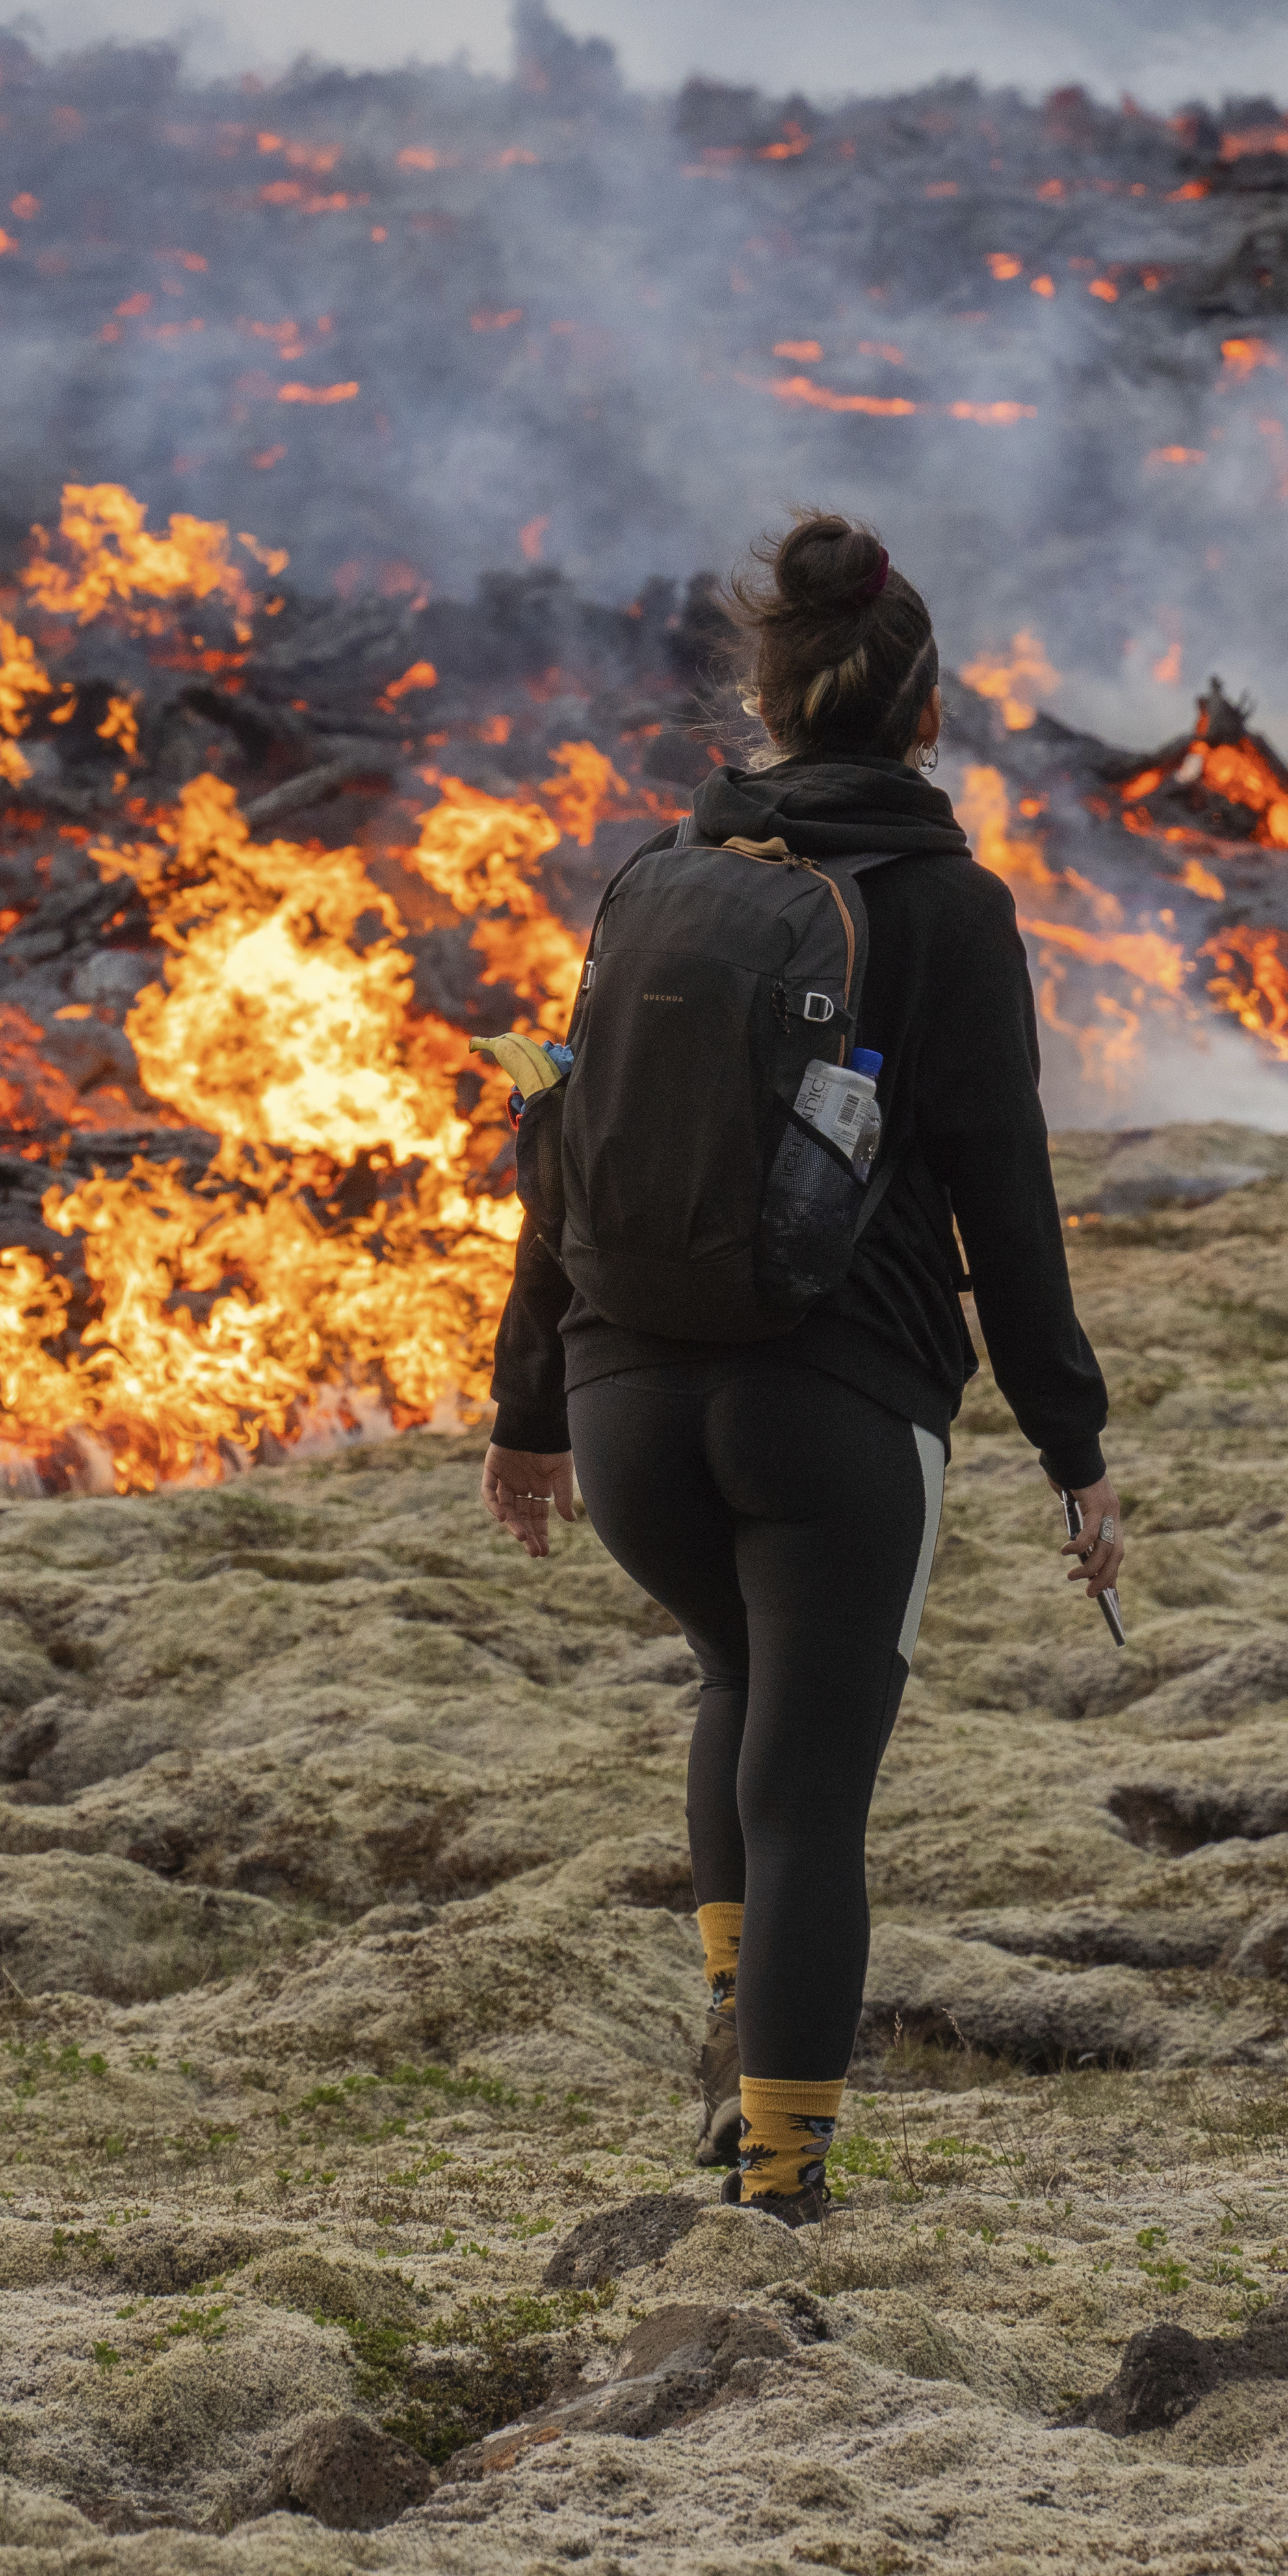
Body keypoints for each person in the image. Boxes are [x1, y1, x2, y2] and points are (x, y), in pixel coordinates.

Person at [479, 511, 1124, 2226]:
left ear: (763, 704)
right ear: (927, 717)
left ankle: (727, 2034)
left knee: (734, 1682)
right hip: (834, 1419)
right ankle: (776, 2189)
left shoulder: (661, 883)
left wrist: (528, 1409)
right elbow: (1003, 1186)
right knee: (813, 1791)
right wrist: (1075, 1441)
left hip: (630, 1417)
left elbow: (565, 1145)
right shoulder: (951, 909)